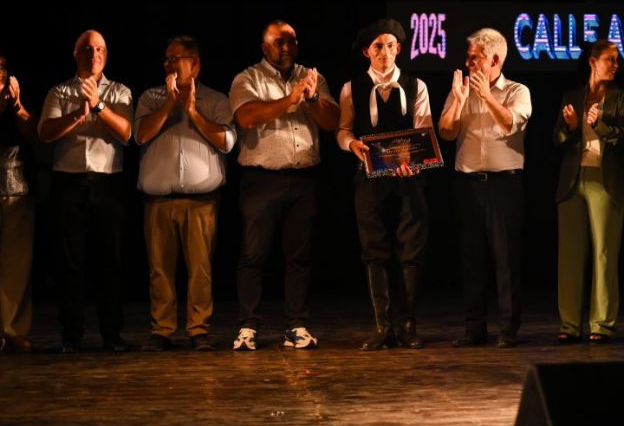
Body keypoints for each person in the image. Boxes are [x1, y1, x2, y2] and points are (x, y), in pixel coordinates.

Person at [230, 20, 339, 350]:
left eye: (291, 40)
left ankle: (296, 325)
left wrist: (313, 97)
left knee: (299, 256)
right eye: (279, 41)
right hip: (261, 178)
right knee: (253, 255)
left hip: (303, 178)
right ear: (265, 48)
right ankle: (248, 327)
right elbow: (247, 116)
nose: (287, 46)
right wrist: (291, 100)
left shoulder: (312, 76)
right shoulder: (247, 78)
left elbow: (333, 121)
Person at [135, 36, 236, 351]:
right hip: (158, 201)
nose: (167, 63)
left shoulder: (217, 99)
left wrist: (192, 110)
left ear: (194, 64)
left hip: (201, 201)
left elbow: (227, 142)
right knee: (159, 270)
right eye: (166, 58)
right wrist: (169, 103)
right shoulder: (151, 97)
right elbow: (139, 135)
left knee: (200, 270)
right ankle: (162, 329)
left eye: (175, 58)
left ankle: (198, 329)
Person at [338, 18, 433, 350]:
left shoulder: (416, 85)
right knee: (374, 250)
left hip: (409, 178)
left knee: (411, 250)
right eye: (378, 46)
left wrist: (415, 160)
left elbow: (424, 131)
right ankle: (383, 325)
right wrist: (352, 146)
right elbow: (344, 129)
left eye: (391, 45)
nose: (385, 52)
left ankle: (408, 324)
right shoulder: (353, 87)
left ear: (399, 49)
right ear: (367, 51)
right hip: (370, 177)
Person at [39, 30, 133, 352]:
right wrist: (78, 114)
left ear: (106, 55)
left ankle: (111, 334)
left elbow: (126, 133)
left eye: (100, 49)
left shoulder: (120, 91)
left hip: (107, 184)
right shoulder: (59, 92)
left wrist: (98, 106)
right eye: (87, 48)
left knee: (110, 261)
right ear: (75, 53)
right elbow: (46, 132)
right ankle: (72, 337)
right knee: (70, 264)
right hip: (69, 184)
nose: (94, 54)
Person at [439, 28, 532, 348]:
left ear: (494, 59)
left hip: (504, 185)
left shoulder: (518, 91)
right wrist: (459, 101)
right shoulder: (460, 89)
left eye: (474, 57)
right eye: (467, 57)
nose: (468, 62)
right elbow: (446, 133)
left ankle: (508, 328)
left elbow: (509, 124)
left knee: (506, 259)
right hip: (468, 185)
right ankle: (474, 328)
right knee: (471, 257)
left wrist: (487, 97)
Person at [552, 39, 624, 344]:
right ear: (592, 61)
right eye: (609, 59)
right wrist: (572, 126)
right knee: (570, 256)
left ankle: (601, 324)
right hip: (573, 181)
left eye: (616, 60)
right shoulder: (572, 95)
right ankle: (570, 324)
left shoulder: (622, 97)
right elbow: (557, 138)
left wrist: (598, 125)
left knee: (604, 254)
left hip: (605, 181)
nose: (615, 65)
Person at [0, 54, 38, 352]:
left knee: (16, 265)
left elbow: (36, 137)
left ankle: (12, 329)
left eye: (1, 67)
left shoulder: (16, 98)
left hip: (16, 188)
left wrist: (16, 108)